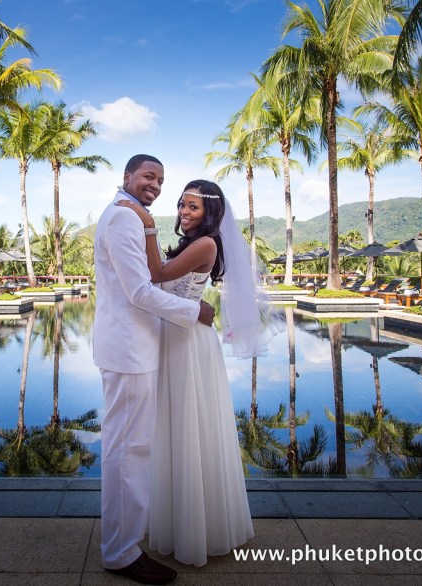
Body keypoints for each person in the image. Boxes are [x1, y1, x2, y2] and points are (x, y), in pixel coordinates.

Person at [119, 178, 273, 566]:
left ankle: (196, 529)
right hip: (177, 333)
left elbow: (156, 274)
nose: (184, 213)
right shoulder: (194, 243)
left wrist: (145, 222)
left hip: (187, 342)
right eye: (182, 205)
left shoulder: (206, 243)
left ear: (210, 213)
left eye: (193, 207)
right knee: (176, 426)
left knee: (190, 427)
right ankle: (179, 520)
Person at [93, 155, 216, 584]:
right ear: (127, 177)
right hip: (130, 350)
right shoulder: (125, 218)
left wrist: (148, 224)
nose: (156, 184)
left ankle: (121, 539)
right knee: (130, 450)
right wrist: (193, 310)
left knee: (127, 448)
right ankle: (122, 553)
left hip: (131, 348)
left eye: (161, 179)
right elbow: (141, 291)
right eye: (149, 176)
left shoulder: (131, 216)